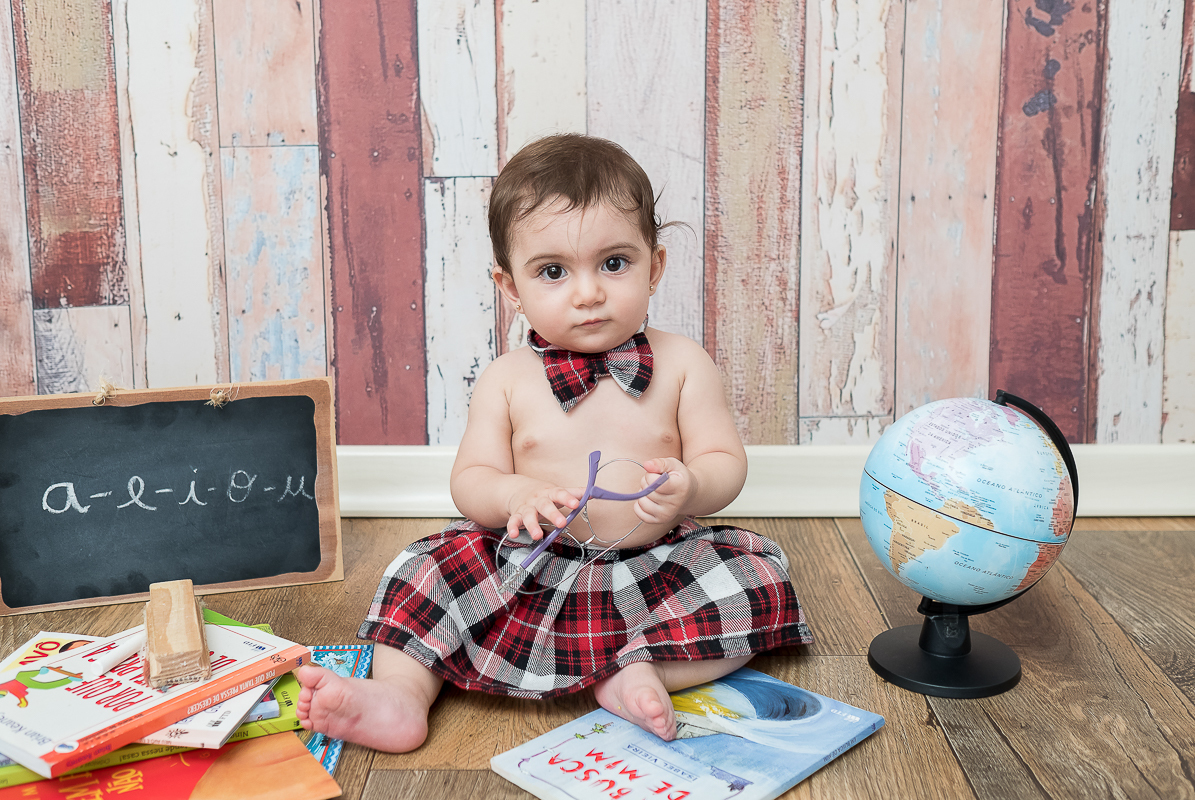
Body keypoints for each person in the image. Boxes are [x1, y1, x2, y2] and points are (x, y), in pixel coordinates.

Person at [296, 133, 812, 752]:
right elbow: (472, 480)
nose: (588, 292)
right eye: (553, 272)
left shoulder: (682, 363)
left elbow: (725, 462)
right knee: (419, 570)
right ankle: (400, 697)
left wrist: (692, 485)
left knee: (759, 576)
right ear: (511, 287)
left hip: (656, 568)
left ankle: (639, 670)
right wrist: (518, 493)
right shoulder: (508, 378)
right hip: (530, 568)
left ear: (657, 264)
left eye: (614, 263)